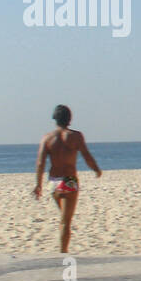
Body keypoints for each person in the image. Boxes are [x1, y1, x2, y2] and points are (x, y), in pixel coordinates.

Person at [34, 105, 102, 253]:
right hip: (69, 179)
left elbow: (40, 163)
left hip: (53, 181)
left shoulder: (47, 138)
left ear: (55, 119)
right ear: (69, 119)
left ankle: (63, 250)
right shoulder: (75, 136)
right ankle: (63, 253)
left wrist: (38, 185)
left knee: (64, 219)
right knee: (66, 221)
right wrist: (96, 169)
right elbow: (86, 156)